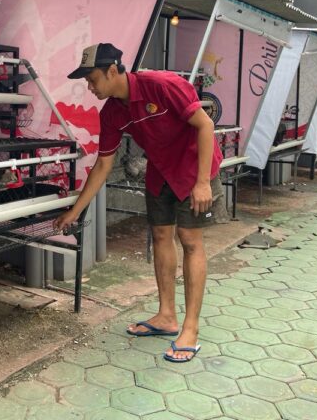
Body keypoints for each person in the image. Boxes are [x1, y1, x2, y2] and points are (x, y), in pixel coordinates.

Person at [54, 43, 225, 363]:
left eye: (92, 80)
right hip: (160, 172)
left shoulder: (161, 86)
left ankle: (190, 328)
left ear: (113, 71)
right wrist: (75, 211)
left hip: (194, 169)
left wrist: (203, 183)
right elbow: (103, 165)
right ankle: (166, 315)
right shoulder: (112, 113)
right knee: (161, 236)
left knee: (189, 240)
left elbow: (206, 126)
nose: (89, 88)